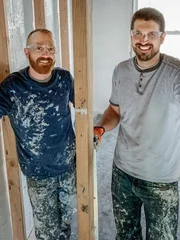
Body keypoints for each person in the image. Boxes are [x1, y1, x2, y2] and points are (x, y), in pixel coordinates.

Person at [94, 7, 180, 240]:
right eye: (138, 33)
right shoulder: (121, 71)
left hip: (161, 180)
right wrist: (100, 128)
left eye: (152, 34)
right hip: (122, 173)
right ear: (131, 35)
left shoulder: (175, 73)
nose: (144, 40)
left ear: (163, 37)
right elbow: (114, 110)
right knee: (126, 235)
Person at [0, 29, 76, 240]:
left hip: (69, 167)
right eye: (39, 48)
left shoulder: (64, 79)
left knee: (67, 221)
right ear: (27, 52)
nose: (45, 53)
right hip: (38, 173)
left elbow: (83, 107)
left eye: (50, 48)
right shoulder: (13, 87)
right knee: (46, 232)